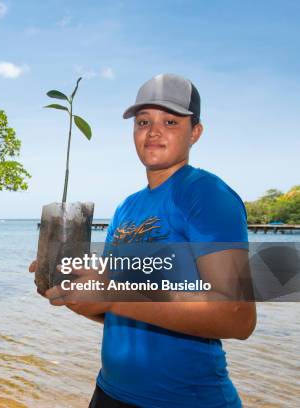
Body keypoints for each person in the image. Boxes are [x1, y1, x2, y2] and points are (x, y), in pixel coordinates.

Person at [29, 73, 256, 407]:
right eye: (143, 121)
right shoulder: (127, 207)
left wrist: (112, 297)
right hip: (109, 393)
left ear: (196, 132)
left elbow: (238, 316)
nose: (153, 132)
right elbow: (118, 311)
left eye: (170, 121)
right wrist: (73, 294)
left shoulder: (206, 194)